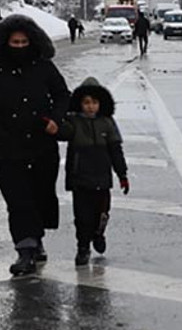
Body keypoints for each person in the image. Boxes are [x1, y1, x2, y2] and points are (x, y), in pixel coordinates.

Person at [0, 14, 70, 276]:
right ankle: (24, 250)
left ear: (32, 41)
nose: (19, 47)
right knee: (18, 201)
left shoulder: (44, 67)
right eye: (14, 42)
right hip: (8, 148)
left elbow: (62, 95)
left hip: (42, 146)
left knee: (40, 197)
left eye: (24, 41)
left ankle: (35, 240)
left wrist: (56, 121)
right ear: (5, 43)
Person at [44, 77, 129, 264]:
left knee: (102, 213)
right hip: (80, 178)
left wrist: (122, 174)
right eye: (86, 103)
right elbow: (63, 133)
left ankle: (99, 234)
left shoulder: (107, 123)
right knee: (82, 217)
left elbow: (116, 150)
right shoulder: (74, 122)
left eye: (95, 103)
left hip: (102, 179)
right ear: (80, 104)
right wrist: (53, 125)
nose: (90, 107)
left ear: (101, 103)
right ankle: (83, 247)